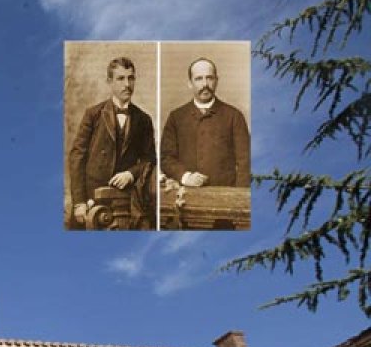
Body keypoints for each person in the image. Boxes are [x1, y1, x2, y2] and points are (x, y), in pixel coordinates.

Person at [67, 57, 157, 225]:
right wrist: (79, 203)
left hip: (126, 200)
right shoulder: (93, 114)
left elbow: (150, 159)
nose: (127, 84)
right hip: (92, 199)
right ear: (109, 82)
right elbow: (77, 157)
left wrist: (131, 174)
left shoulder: (143, 119)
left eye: (131, 78)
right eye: (120, 78)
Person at [161, 57, 251, 188]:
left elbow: (246, 162)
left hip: (225, 195)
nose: (205, 84)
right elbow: (166, 158)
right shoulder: (176, 117)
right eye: (198, 79)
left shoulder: (234, 116)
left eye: (209, 78)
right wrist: (185, 177)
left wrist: (239, 195)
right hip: (186, 194)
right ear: (190, 83)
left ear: (216, 81)